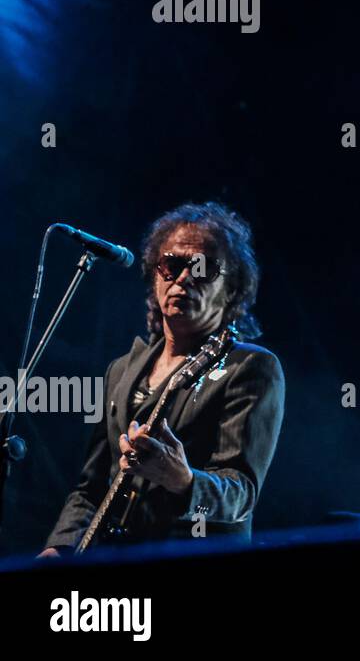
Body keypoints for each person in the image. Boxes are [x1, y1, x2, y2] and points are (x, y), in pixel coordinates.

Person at [40, 202, 284, 554]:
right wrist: (61, 546)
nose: (184, 278)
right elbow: (91, 487)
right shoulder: (120, 370)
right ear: (156, 275)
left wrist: (183, 481)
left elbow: (240, 494)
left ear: (231, 289)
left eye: (202, 268)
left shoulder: (250, 367)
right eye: (172, 265)